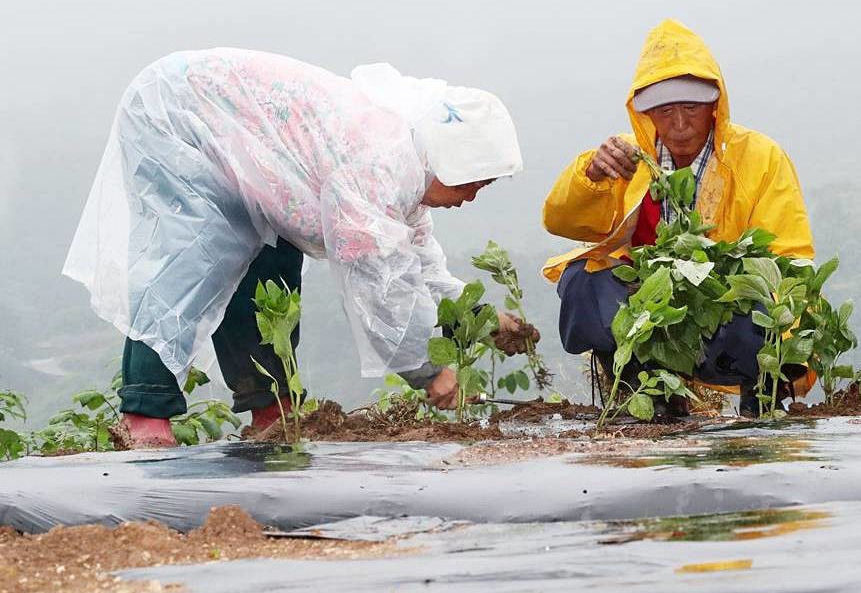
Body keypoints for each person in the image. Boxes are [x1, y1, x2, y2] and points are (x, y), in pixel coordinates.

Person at [63, 49, 523, 447]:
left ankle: (272, 411)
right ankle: (145, 414)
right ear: (451, 158)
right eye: (475, 181)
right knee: (193, 260)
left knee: (272, 265)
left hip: (235, 136)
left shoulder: (405, 177)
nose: (473, 195)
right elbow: (381, 287)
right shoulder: (378, 167)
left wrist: (485, 319)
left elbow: (423, 270)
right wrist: (428, 372)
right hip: (182, 111)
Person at [542, 20, 815, 418]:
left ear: (714, 106)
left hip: (727, 316)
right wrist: (591, 178)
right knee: (584, 281)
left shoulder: (760, 157)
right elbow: (560, 220)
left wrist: (789, 345)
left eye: (692, 107)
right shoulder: (626, 158)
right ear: (646, 112)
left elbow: (790, 257)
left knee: (761, 305)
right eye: (665, 111)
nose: (681, 124)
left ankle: (763, 403)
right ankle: (649, 401)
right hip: (657, 317)